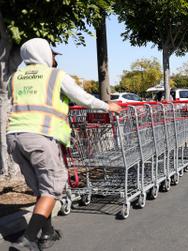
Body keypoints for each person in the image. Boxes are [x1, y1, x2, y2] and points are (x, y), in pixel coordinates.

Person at [7, 38, 121, 251]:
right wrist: (108, 106)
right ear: (42, 53)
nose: (53, 58)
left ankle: (47, 232)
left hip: (15, 138)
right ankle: (27, 239)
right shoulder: (55, 76)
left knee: (42, 187)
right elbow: (83, 97)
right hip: (40, 137)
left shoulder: (16, 77)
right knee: (54, 185)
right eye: (52, 54)